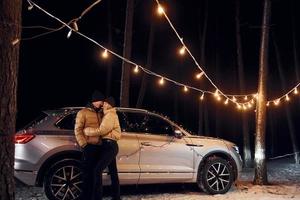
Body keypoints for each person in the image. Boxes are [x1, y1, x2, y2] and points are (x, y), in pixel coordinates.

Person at [84, 96, 121, 200]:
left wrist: (87, 131)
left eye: (104, 103)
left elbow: (102, 130)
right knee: (113, 173)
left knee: (97, 170)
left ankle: (97, 197)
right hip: (108, 145)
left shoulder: (110, 115)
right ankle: (116, 197)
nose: (102, 105)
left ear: (109, 105)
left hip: (110, 146)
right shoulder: (107, 114)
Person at [74, 90, 105, 200]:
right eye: (100, 101)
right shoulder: (83, 112)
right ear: (94, 101)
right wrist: (84, 145)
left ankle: (96, 197)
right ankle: (86, 197)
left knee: (97, 174)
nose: (101, 103)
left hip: (100, 148)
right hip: (89, 147)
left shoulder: (101, 113)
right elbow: (78, 130)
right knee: (87, 174)